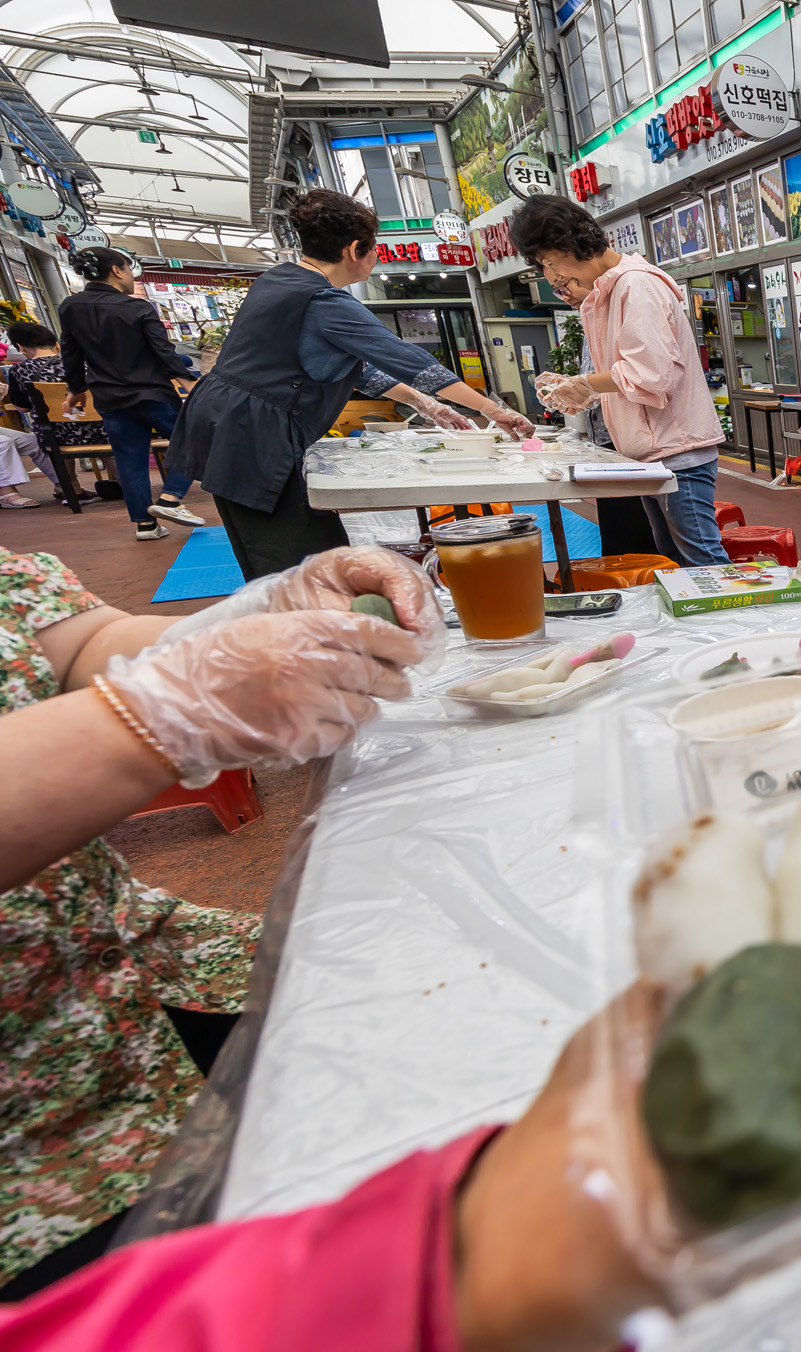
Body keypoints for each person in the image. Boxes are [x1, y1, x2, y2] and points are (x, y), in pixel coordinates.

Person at [0, 546, 440, 1301]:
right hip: (38, 1140)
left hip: (137, 954)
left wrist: (258, 617)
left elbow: (68, 647)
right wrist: (152, 715)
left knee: (421, 992)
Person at [169, 189, 534, 579]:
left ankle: (310, 624)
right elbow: (408, 360)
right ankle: (315, 631)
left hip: (223, 420)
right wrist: (492, 410)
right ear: (355, 249)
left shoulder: (278, 280)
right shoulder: (324, 302)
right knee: (299, 561)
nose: (375, 257)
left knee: (281, 549)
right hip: (251, 432)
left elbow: (357, 369)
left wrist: (425, 404)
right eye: (374, 248)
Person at [510, 195, 731, 568]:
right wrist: (577, 385)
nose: (552, 277)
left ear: (572, 243)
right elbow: (624, 372)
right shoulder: (608, 293)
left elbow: (652, 374)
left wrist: (585, 385)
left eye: (550, 261)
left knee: (703, 560)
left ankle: (746, 624)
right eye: (543, 266)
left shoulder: (635, 286)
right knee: (675, 558)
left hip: (677, 451)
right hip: (652, 452)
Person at [54, 248, 203, 540]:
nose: (132, 277)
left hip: (110, 398)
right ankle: (171, 498)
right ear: (117, 271)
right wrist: (187, 381)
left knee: (129, 458)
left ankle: (145, 525)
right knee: (195, 438)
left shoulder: (70, 307)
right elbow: (163, 351)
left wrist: (76, 390)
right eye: (129, 269)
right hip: (153, 393)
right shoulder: (138, 308)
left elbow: (71, 352)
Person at [3, 321, 92, 509]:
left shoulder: (20, 370)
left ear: (21, 347)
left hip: (56, 434)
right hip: (97, 428)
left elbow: (21, 408)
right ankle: (124, 483)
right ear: (56, 345)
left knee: (52, 431)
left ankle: (71, 488)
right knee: (90, 426)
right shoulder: (81, 363)